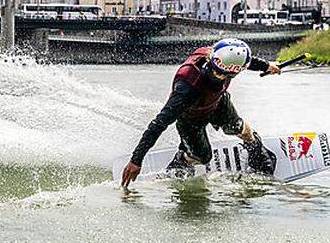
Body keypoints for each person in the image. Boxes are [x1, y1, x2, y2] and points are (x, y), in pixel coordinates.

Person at [120, 38, 281, 187]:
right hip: (190, 119)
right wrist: (136, 160)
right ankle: (182, 158)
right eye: (217, 73)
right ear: (211, 59)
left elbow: (247, 61)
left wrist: (267, 66)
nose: (219, 76)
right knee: (203, 157)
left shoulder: (223, 57)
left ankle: (256, 149)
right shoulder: (187, 87)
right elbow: (158, 124)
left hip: (218, 103)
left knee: (239, 128)